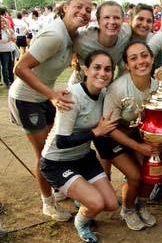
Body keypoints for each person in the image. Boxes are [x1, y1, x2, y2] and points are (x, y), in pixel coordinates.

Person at [8, 0, 93, 221]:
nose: (84, 13)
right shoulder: (55, 34)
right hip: (26, 98)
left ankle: (58, 187)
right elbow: (20, 68)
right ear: (65, 8)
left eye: (88, 10)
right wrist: (52, 95)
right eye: (79, 7)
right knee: (44, 155)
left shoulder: (70, 35)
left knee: (57, 147)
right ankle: (48, 203)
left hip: (44, 97)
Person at [40, 50, 118, 243]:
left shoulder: (105, 95)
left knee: (111, 204)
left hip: (83, 157)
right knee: (97, 203)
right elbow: (62, 141)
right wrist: (96, 133)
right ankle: (81, 222)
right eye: (97, 68)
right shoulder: (72, 96)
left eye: (107, 69)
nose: (102, 73)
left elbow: (103, 137)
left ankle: (82, 196)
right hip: (57, 162)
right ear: (86, 69)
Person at [94, 41, 158, 231]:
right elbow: (109, 128)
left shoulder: (157, 86)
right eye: (133, 58)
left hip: (135, 134)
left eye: (145, 55)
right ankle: (128, 209)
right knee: (135, 176)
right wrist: (138, 147)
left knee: (152, 170)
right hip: (110, 137)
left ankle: (141, 204)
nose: (140, 61)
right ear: (127, 65)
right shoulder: (118, 88)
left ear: (152, 58)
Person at [68, 0, 131, 85]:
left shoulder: (127, 32)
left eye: (116, 17)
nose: (112, 22)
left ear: (123, 20)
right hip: (80, 87)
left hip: (107, 88)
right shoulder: (81, 39)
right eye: (106, 17)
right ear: (98, 21)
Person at [0, 14, 15, 88]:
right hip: (3, 51)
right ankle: (7, 82)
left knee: (11, 66)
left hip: (11, 50)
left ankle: (12, 81)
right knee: (5, 67)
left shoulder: (7, 28)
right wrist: (10, 38)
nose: (2, 22)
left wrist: (8, 26)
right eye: (1, 21)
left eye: (3, 21)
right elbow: (3, 40)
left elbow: (14, 35)